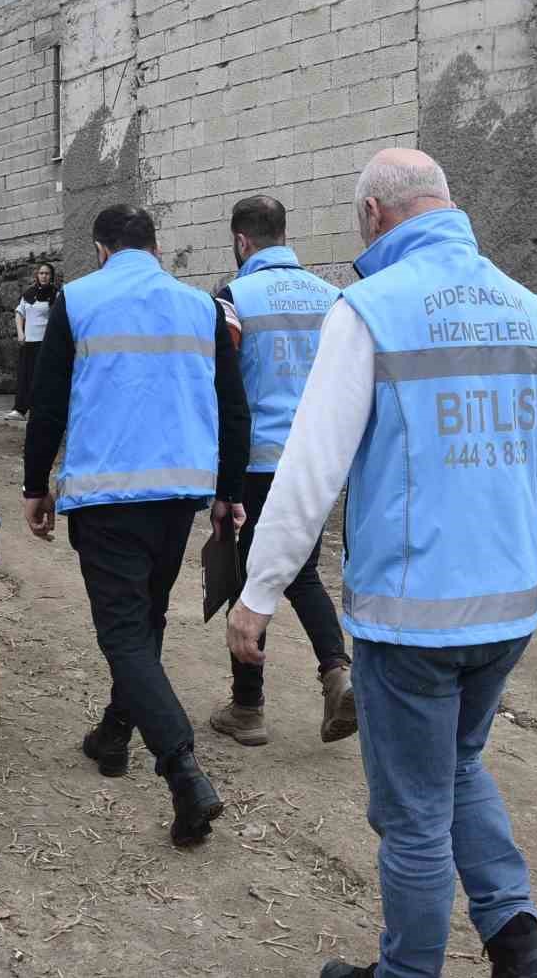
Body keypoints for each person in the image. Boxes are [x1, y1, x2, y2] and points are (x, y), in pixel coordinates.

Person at [226, 149, 537, 978]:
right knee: (458, 766)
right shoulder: (535, 314)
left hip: (411, 621)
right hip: (505, 612)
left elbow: (312, 466)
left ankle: (407, 972)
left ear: (374, 215)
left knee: (414, 816)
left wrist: (258, 590)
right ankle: (520, 947)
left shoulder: (370, 310)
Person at [22, 204, 250, 846]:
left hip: (106, 496)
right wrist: (228, 492)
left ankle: (183, 772)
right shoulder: (202, 307)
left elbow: (48, 403)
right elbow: (233, 408)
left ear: (101, 250)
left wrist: (35, 485)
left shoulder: (78, 300)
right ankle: (114, 733)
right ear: (156, 248)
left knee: (124, 633)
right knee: (145, 620)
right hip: (178, 494)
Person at [208, 195, 354, 747]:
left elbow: (223, 385)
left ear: (241, 241)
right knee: (302, 572)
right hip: (316, 461)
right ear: (284, 234)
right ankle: (336, 673)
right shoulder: (332, 297)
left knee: (248, 578)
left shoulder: (234, 298)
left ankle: (248, 707)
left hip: (256, 462)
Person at [13, 263, 57, 417]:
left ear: (51, 276)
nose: (44, 276)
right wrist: (20, 332)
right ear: (37, 275)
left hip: (45, 342)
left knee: (42, 377)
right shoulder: (29, 293)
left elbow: (56, 318)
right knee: (24, 376)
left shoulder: (56, 295)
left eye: (47, 273)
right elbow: (19, 313)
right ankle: (20, 409)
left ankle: (40, 409)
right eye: (41, 273)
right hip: (28, 341)